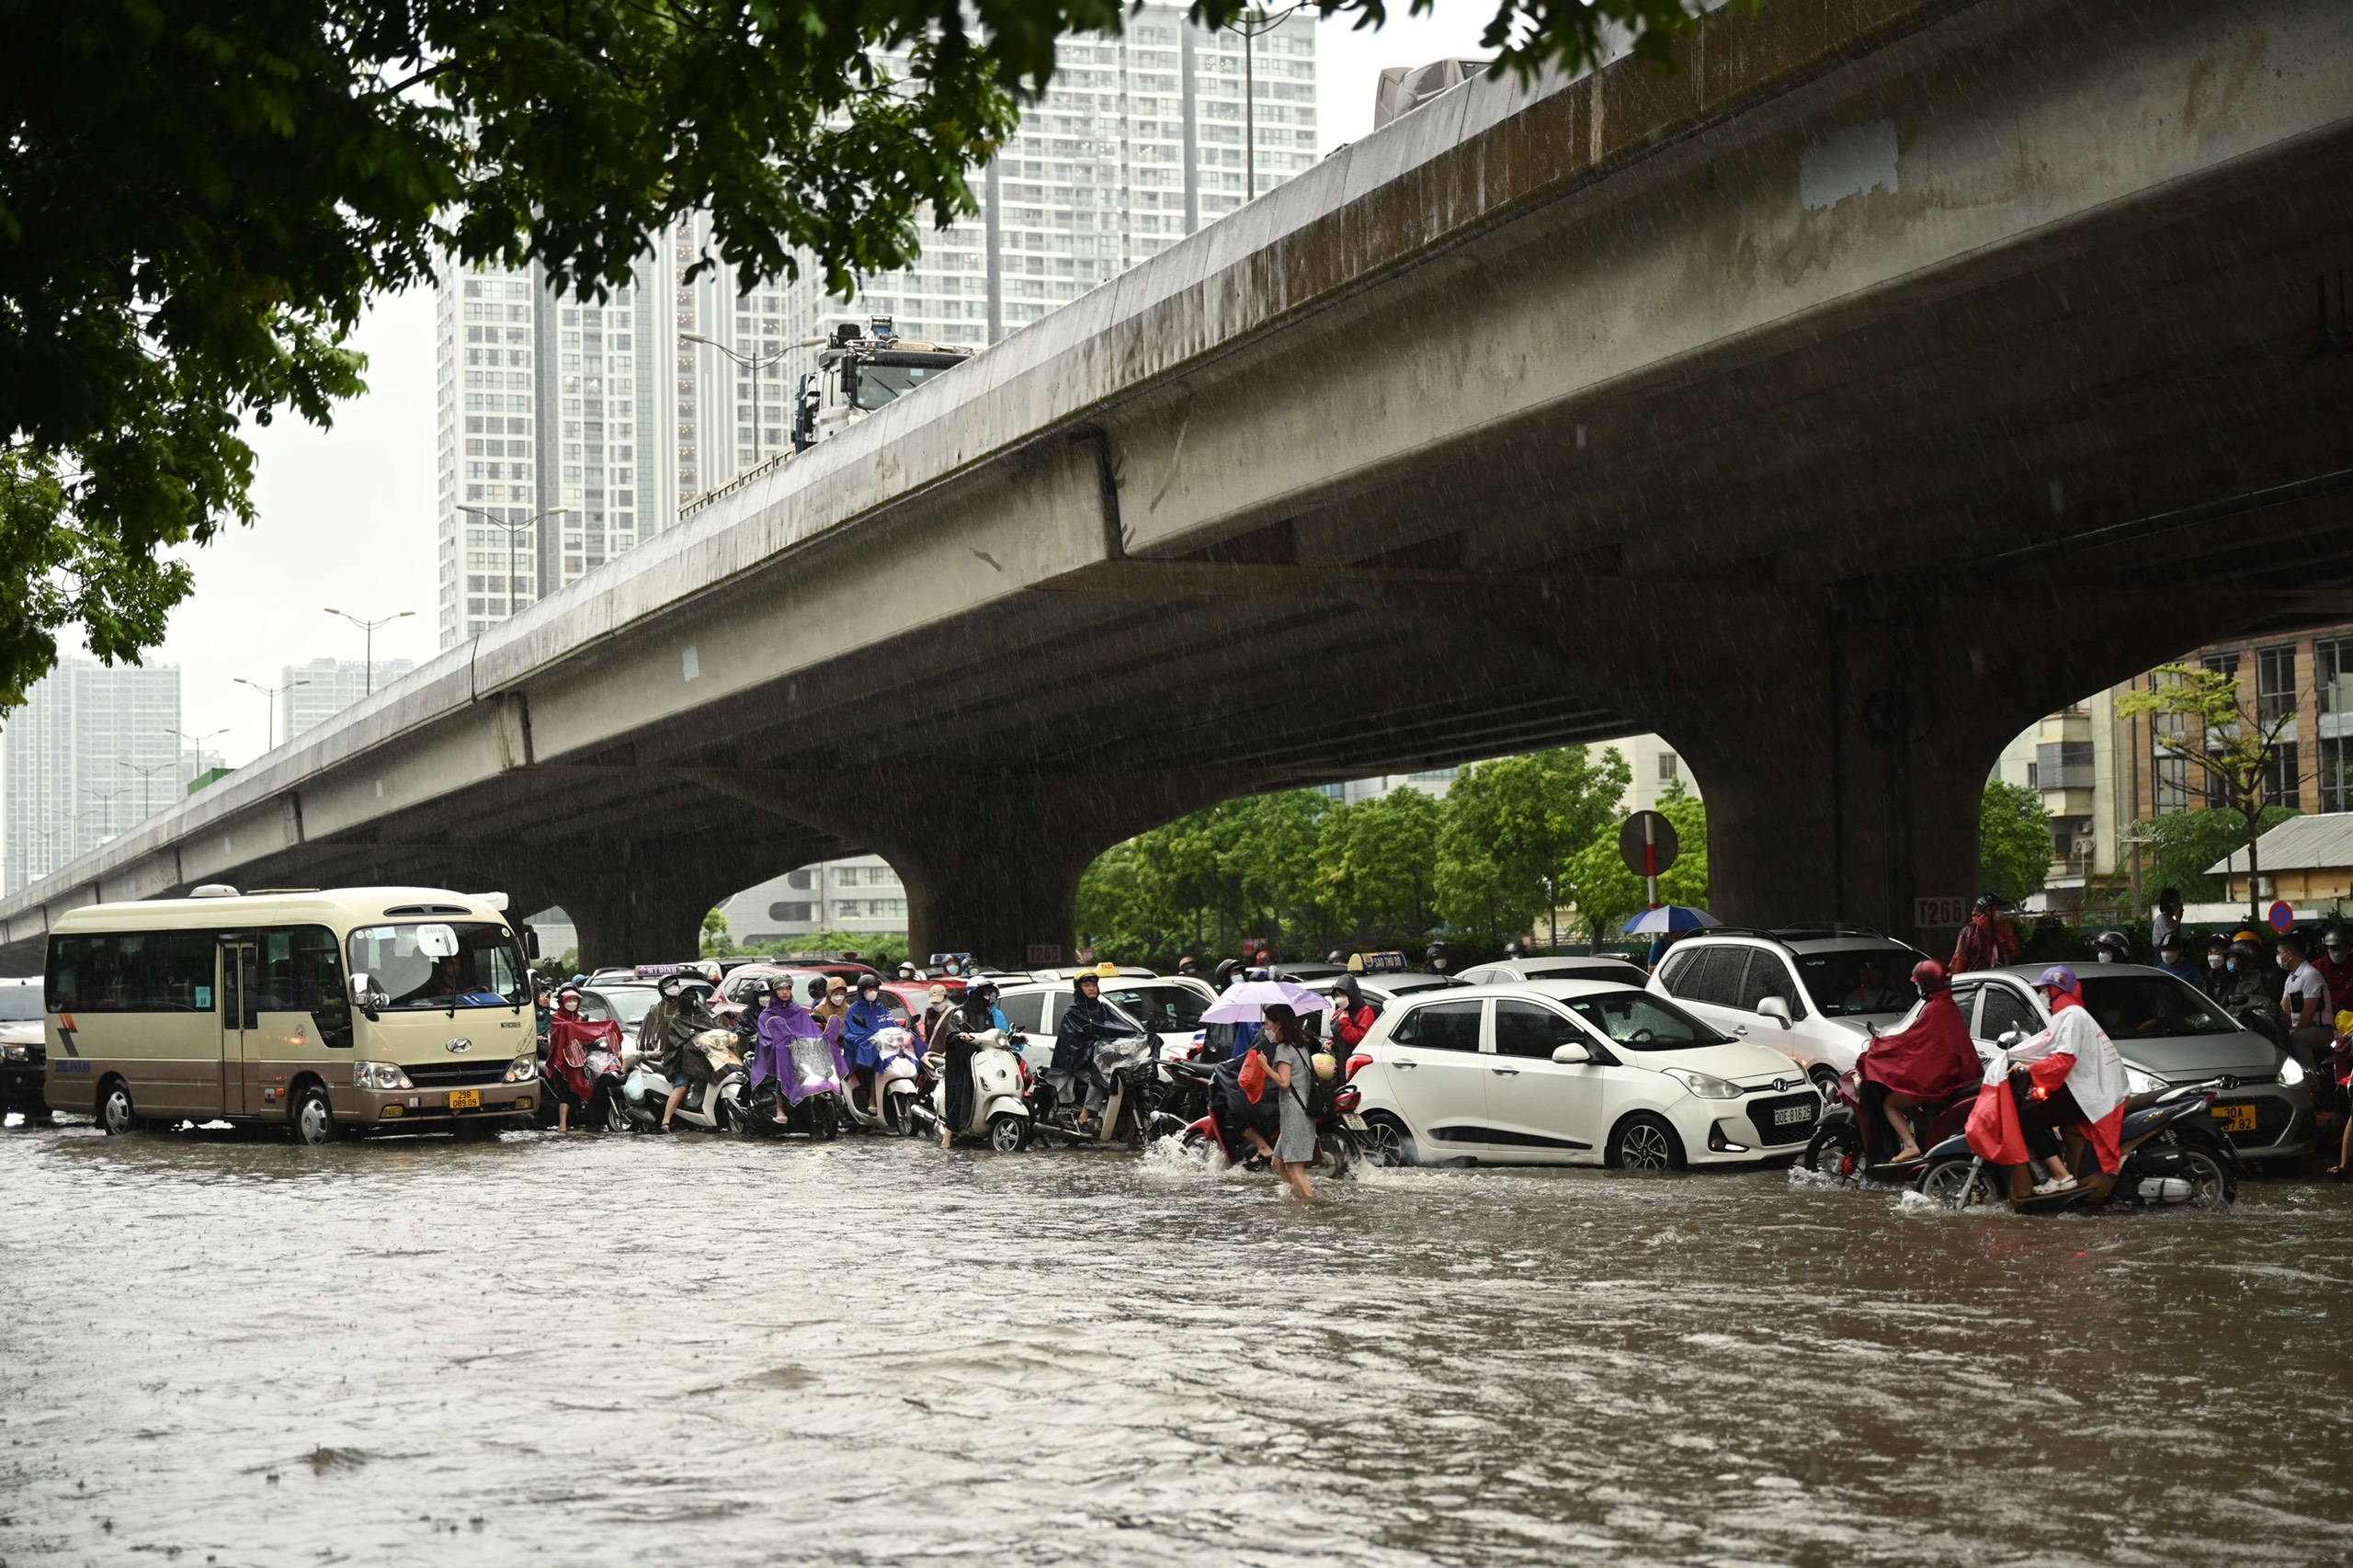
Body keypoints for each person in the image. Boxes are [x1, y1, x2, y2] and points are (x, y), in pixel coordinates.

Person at [1976, 965, 2128, 1195]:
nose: (2043, 995)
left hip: (2088, 1093)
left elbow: (2063, 1060)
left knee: (2027, 1120)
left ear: (2056, 989)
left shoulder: (2072, 1015)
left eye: (2045, 990)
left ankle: (2061, 1176)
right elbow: (2049, 1048)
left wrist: (2027, 1068)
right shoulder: (2072, 1014)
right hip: (2088, 1088)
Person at [1857, 961, 1982, 1163]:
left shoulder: (1936, 1008)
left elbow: (1912, 1041)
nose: (1917, 988)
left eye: (1919, 984)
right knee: (1908, 1101)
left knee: (1891, 1104)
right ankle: (1927, 1138)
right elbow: (1918, 1042)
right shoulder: (1946, 1004)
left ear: (1927, 985)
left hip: (1942, 1080)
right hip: (1954, 1076)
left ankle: (1910, 1145)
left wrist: (1881, 1046)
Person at [1248, 1003, 1316, 1201]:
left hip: (1296, 1114)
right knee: (1278, 1162)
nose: (1265, 1029)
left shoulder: (1284, 1050)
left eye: (1267, 1024)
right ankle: (1298, 1197)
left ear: (1278, 1025)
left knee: (1295, 1168)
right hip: (1298, 1112)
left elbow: (1284, 1082)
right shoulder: (1300, 1045)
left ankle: (1310, 1205)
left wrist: (1265, 1066)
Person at [931, 983, 1000, 1149]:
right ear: (976, 993)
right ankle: (947, 1137)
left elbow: (993, 1034)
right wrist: (959, 1035)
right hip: (964, 1062)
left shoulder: (988, 1014)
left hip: (984, 1060)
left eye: (991, 993)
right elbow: (952, 1032)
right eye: (985, 992)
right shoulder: (961, 1011)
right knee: (961, 1094)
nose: (988, 996)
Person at [1051, 969, 1123, 1126]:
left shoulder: (1103, 1009)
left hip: (1103, 1059)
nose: (1091, 988)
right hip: (1078, 1063)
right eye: (1087, 985)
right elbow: (1072, 1042)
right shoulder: (1073, 1012)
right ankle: (1084, 1115)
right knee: (1098, 1079)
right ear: (1079, 989)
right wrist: (1090, 1047)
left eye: (1094, 985)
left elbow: (1120, 1026)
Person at [545, 986, 620, 1133]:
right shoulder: (557, 1019)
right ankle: (562, 1125)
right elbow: (560, 1036)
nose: (572, 1003)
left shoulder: (580, 1017)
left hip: (581, 1057)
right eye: (569, 1000)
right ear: (562, 1002)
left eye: (575, 1000)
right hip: (562, 1060)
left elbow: (587, 1033)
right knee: (566, 1094)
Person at [842, 975, 896, 1119]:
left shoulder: (881, 1008)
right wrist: (870, 1038)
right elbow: (851, 1033)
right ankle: (872, 1098)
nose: (873, 992)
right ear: (861, 991)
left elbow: (892, 1025)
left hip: (886, 1046)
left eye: (875, 989)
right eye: (869, 989)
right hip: (862, 1049)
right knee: (875, 1060)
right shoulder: (854, 1010)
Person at [2279, 932, 2334, 1071]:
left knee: (2298, 1039)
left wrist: (2296, 1030)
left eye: (2280, 953)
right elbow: (2283, 1008)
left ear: (2290, 954)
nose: (2278, 957)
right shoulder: (2291, 978)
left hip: (2321, 1030)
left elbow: (2309, 1009)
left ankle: (2311, 1083)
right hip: (2302, 1028)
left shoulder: (2310, 975)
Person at [1949, 893, 2020, 976]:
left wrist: (2009, 933)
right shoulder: (1969, 932)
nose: (2001, 911)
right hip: (1976, 982)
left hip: (2000, 980)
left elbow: (2015, 952)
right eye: (1997, 908)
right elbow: (1959, 960)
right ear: (1988, 910)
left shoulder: (2001, 930)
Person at [1328, 974, 1378, 1051]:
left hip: (1354, 1058)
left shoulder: (1365, 1012)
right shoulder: (1341, 1011)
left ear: (1351, 995)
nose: (1339, 999)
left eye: (1342, 995)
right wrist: (1333, 1041)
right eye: (1337, 995)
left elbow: (1361, 1040)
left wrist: (1345, 1022)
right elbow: (1340, 1036)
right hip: (1340, 1057)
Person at [2315, 927, 2353, 1012]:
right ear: (2326, 948)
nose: (2337, 952)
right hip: (2326, 1016)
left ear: (2349, 948)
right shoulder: (2317, 967)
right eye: (2333, 948)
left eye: (2341, 947)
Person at [2151, 889, 2184, 960]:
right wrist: (2178, 919)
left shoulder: (2171, 921)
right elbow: (2173, 940)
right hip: (2163, 959)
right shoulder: (2162, 919)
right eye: (2177, 901)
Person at [2199, 937, 2234, 1004]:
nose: (2213, 957)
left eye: (2217, 953)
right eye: (2210, 953)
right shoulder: (2206, 977)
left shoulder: (2234, 978)